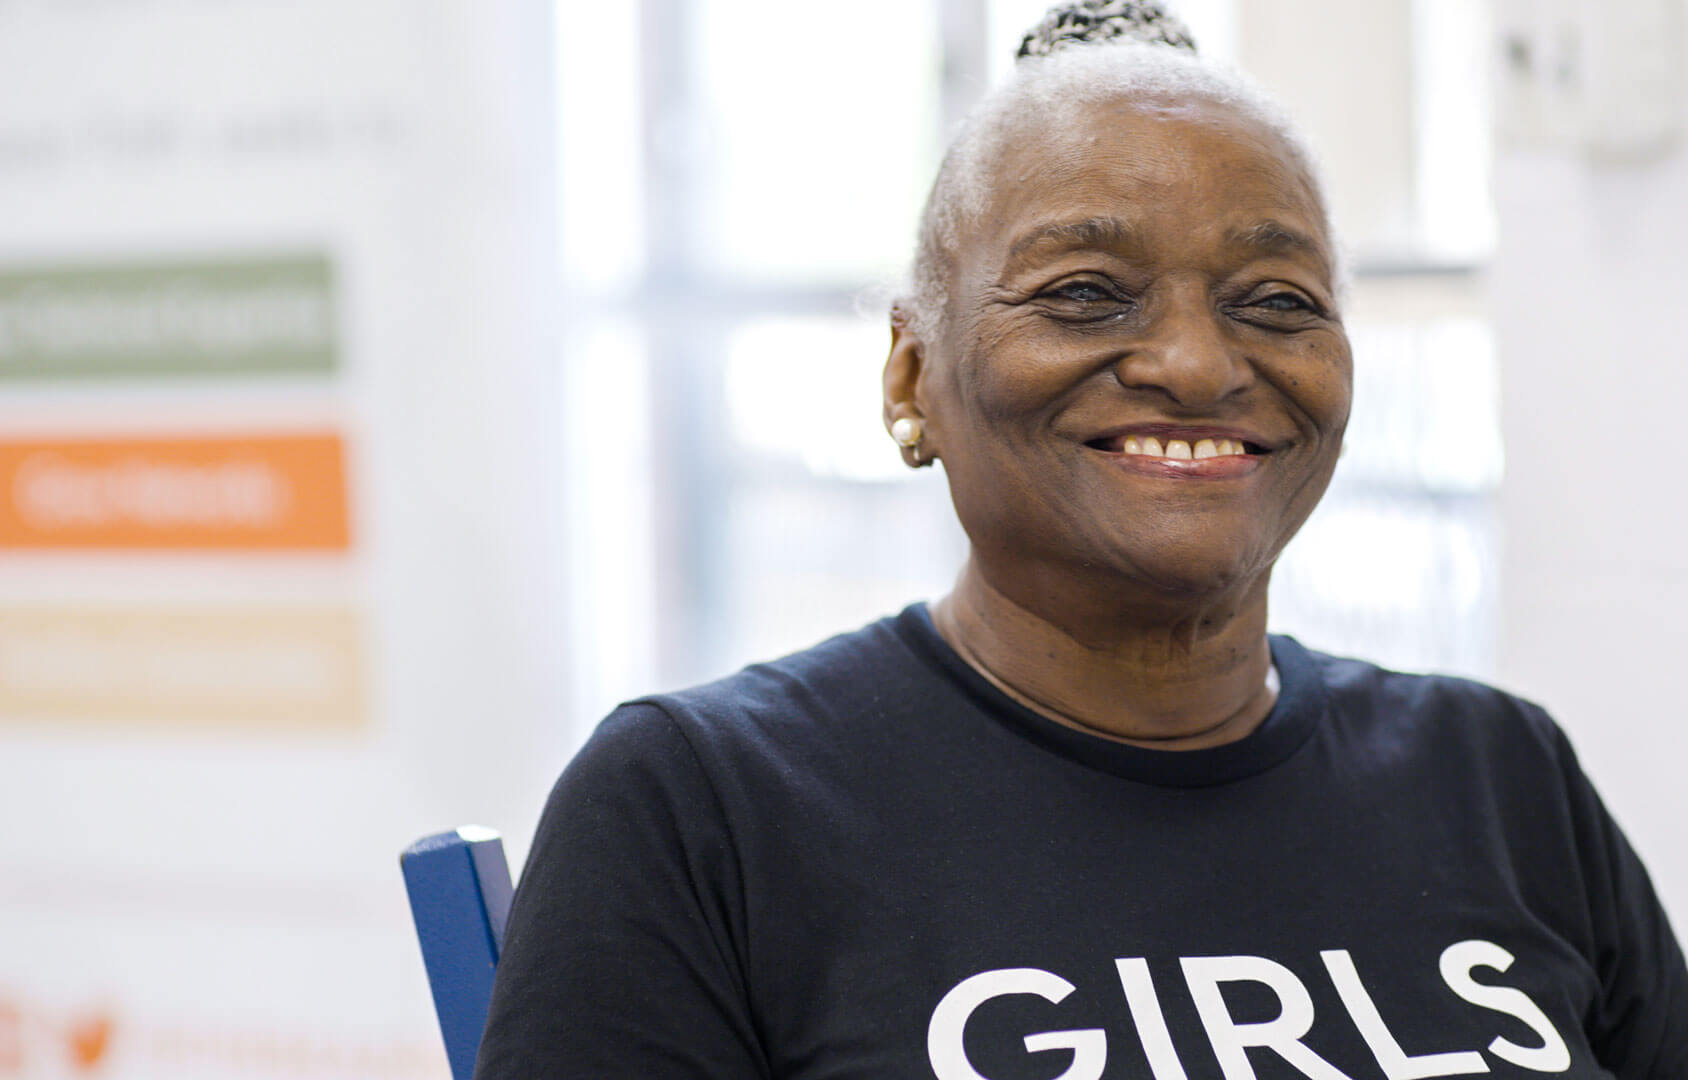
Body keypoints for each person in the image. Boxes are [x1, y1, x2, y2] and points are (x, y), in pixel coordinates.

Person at [474, 2, 1688, 1076]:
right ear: (911, 376)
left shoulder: (1492, 771)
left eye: (1275, 302)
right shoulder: (705, 806)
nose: (1197, 365)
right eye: (1082, 293)